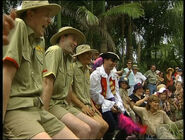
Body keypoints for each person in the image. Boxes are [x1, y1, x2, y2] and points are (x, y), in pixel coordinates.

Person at [2, 1, 73, 139]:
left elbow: (41, 81)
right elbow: (6, 75)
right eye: (46, 15)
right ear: (30, 14)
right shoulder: (18, 26)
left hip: (36, 109)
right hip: (17, 109)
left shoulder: (40, 40)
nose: (50, 21)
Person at [41, 27, 100, 139]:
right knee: (84, 129)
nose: (75, 43)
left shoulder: (69, 58)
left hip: (64, 104)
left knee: (95, 126)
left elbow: (68, 89)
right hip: (52, 104)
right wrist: (44, 114)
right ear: (63, 37)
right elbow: (47, 82)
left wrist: (70, 109)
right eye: (73, 39)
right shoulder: (55, 51)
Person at [71, 44, 109, 139]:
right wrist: (82, 106)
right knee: (99, 126)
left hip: (88, 105)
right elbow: (69, 92)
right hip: (76, 106)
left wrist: (92, 105)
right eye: (86, 53)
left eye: (90, 53)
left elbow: (86, 92)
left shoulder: (87, 70)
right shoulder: (72, 68)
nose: (89, 56)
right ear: (79, 55)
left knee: (105, 126)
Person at [90, 52, 126, 139]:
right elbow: (95, 95)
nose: (114, 63)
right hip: (100, 104)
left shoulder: (113, 75)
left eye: (115, 61)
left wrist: (118, 104)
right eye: (112, 60)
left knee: (127, 125)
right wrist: (110, 106)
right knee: (111, 126)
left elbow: (116, 92)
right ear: (105, 60)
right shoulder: (96, 74)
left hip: (112, 102)